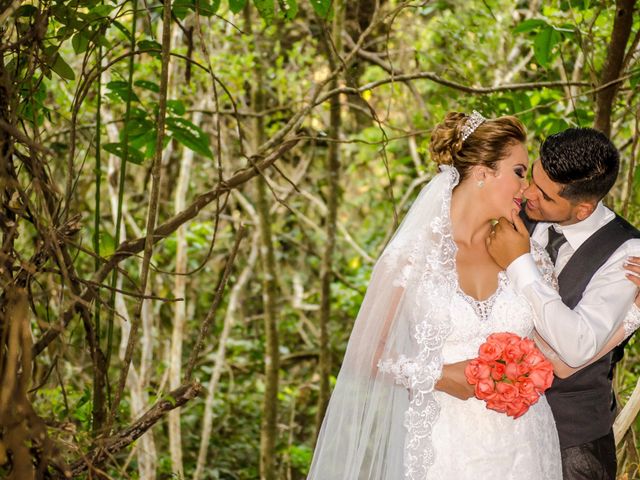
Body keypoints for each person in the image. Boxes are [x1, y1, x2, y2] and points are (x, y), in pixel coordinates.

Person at [307, 111, 564, 479]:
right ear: (481, 172)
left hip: (523, 446)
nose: (526, 189)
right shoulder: (412, 257)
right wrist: (438, 375)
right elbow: (367, 353)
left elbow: (561, 351)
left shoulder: (530, 257)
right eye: (519, 173)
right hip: (442, 445)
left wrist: (630, 313)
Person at [482, 127, 640, 480]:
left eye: (545, 195)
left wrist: (519, 264)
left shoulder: (628, 253)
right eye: (531, 177)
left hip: (574, 445)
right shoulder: (508, 213)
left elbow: (575, 347)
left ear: (583, 209)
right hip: (495, 437)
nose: (527, 193)